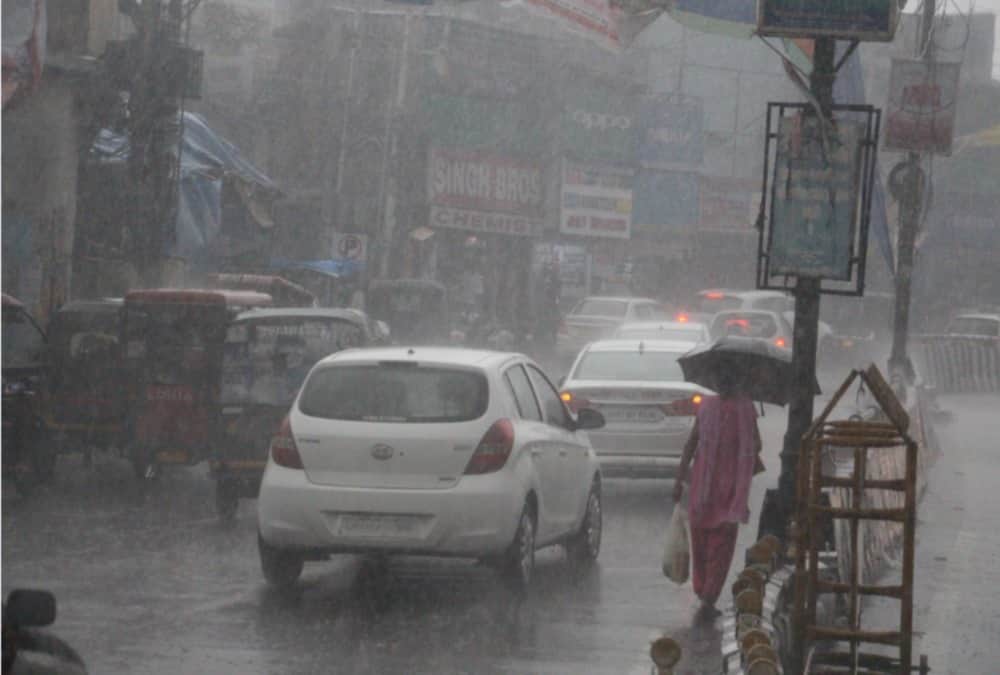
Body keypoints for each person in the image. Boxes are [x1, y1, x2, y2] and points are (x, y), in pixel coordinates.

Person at [672, 367, 763, 618]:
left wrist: (679, 480)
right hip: (729, 490)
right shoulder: (745, 409)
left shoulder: (707, 406)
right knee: (719, 548)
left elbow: (691, 445)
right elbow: (756, 445)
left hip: (704, 488)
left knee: (702, 544)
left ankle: (704, 592)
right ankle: (708, 597)